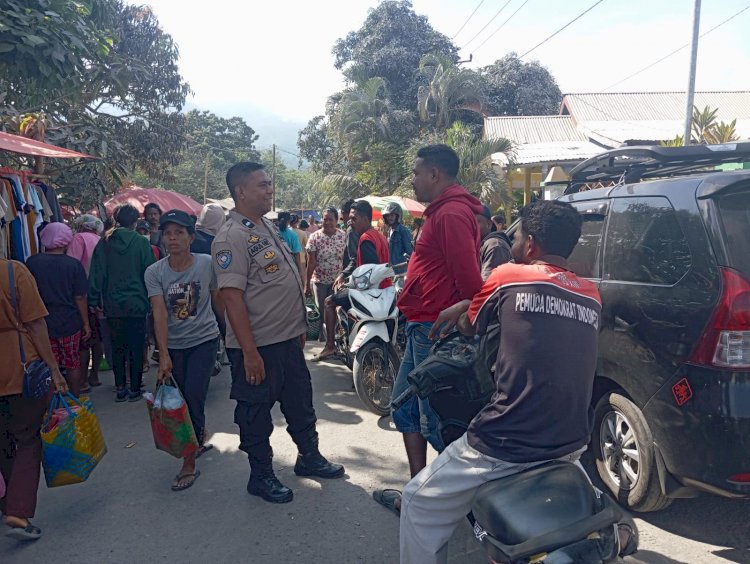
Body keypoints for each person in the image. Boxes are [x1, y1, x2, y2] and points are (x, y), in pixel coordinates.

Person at [399, 200, 604, 563]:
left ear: (532, 243)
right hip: (571, 441)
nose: (514, 242)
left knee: (418, 500)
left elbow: (469, 325)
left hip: (507, 438)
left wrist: (461, 308)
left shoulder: (508, 274)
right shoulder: (591, 294)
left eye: (519, 234)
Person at [212, 161, 344, 504]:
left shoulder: (266, 227)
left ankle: (309, 457)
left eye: (269, 184)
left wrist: (297, 327)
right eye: (262, 185)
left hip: (286, 339)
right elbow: (232, 298)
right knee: (255, 414)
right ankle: (261, 476)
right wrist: (250, 352)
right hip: (257, 346)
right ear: (240, 191)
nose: (270, 190)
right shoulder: (231, 237)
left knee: (300, 402)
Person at [374, 144, 483, 515]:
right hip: (422, 324)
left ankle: (473, 496)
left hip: (434, 330)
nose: (414, 181)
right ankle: (419, 491)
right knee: (403, 409)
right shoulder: (442, 212)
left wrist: (465, 309)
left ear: (435, 174)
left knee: (433, 420)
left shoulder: (451, 213)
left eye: (417, 173)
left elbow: (470, 281)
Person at [145, 209, 221, 491]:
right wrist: (163, 354)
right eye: (168, 233)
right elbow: (159, 313)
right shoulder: (155, 272)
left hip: (204, 340)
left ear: (191, 237)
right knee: (181, 397)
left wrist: (235, 336)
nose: (173, 238)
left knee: (193, 397)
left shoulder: (207, 264)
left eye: (179, 232)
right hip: (173, 344)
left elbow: (218, 300)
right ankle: (199, 434)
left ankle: (189, 461)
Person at [1, 256, 68, 541]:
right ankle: (18, 510)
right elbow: (36, 325)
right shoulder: (12, 271)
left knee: (4, 440)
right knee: (29, 438)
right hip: (18, 367)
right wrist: (54, 369)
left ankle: (8, 503)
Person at [89, 204, 155, 402]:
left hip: (113, 304)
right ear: (135, 222)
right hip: (137, 302)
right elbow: (150, 271)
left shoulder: (105, 243)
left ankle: (120, 387)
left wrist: (93, 298)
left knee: (117, 346)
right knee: (136, 345)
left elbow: (96, 273)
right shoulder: (141, 243)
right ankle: (134, 388)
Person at [314, 200, 390, 362]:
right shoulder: (379, 235)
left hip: (370, 292)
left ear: (365, 219)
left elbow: (370, 272)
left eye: (354, 218)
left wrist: (350, 284)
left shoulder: (365, 238)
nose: (350, 221)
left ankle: (329, 346)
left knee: (329, 302)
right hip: (384, 289)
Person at [26, 223, 90, 396]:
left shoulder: (32, 262)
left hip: (42, 323)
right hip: (70, 321)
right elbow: (80, 297)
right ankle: (74, 400)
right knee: (72, 362)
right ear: (66, 241)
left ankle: (51, 407)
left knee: (48, 365)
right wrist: (86, 323)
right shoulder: (73, 265)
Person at [67, 214, 105, 388]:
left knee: (84, 339)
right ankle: (94, 376)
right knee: (98, 339)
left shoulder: (78, 239)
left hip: (82, 294)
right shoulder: (102, 240)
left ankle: (81, 381)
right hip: (100, 294)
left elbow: (73, 265)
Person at [304, 208, 346, 320]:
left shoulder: (343, 236)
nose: (327, 222)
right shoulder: (314, 237)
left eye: (331, 219)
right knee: (322, 311)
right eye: (325, 219)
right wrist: (307, 284)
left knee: (337, 311)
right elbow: (311, 262)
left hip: (337, 282)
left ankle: (335, 336)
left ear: (337, 220)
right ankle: (323, 337)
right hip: (320, 281)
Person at [477, 204, 512, 280]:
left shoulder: (494, 245)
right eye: (468, 222)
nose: (472, 226)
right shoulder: (481, 243)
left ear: (489, 224)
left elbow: (489, 285)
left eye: (476, 222)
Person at [382, 202, 413, 275]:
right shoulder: (389, 231)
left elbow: (410, 253)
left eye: (392, 215)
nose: (389, 218)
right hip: (392, 271)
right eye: (387, 215)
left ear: (397, 216)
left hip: (403, 271)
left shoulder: (403, 231)